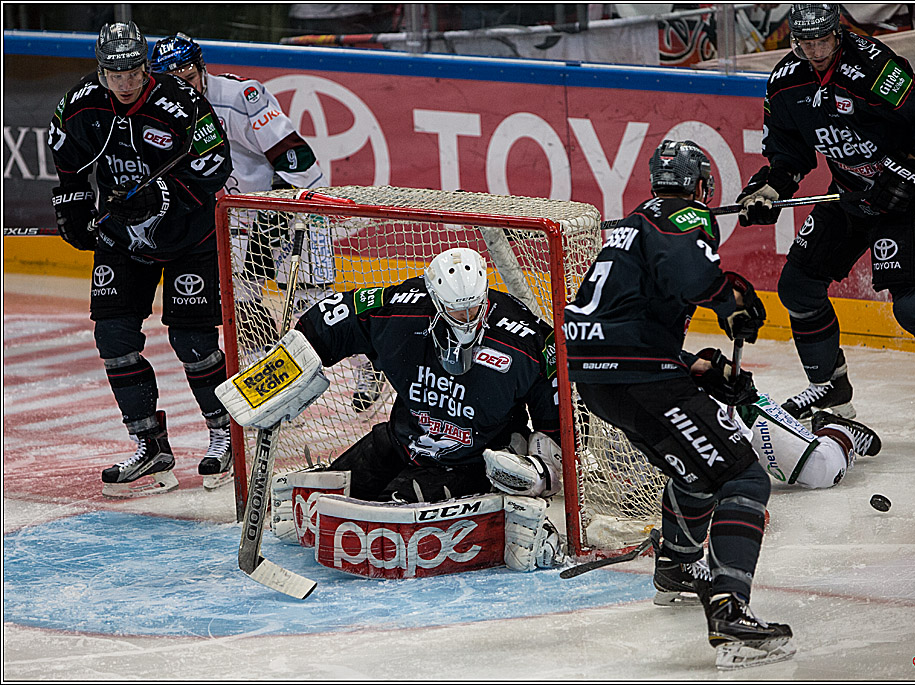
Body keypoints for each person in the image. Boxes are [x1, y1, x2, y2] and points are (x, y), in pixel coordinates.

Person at [735, 3, 915, 453]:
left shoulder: (872, 67)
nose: (815, 50)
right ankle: (832, 391)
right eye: (806, 42)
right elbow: (790, 154)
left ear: (837, 33)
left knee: (914, 304)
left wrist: (903, 171)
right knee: (799, 285)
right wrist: (770, 188)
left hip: (903, 199)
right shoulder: (786, 84)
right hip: (848, 196)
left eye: (822, 40)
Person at [565, 139, 793, 669]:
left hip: (600, 380)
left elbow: (618, 320)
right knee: (743, 477)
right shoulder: (684, 213)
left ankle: (676, 567)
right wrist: (729, 300)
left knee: (694, 470)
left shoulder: (630, 224)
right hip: (640, 377)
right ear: (700, 186)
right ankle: (729, 610)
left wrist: (693, 365)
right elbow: (691, 275)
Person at [216, 247, 566, 572]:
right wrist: (284, 368)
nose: (466, 318)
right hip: (400, 441)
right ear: (434, 298)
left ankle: (503, 513)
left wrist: (535, 473)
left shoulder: (526, 342)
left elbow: (558, 429)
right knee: (318, 500)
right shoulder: (402, 309)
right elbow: (329, 320)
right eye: (457, 310)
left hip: (469, 461)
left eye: (474, 307)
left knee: (383, 523)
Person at [149, 32, 386, 413]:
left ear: (202, 68)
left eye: (188, 75)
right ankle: (275, 388)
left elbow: (295, 157)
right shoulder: (158, 113)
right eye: (170, 79)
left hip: (289, 203)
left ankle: (371, 363)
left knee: (312, 301)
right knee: (242, 301)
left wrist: (296, 204)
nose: (182, 86)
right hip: (235, 216)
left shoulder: (240, 97)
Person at [47, 21, 233, 497]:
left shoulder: (183, 103)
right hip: (122, 236)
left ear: (145, 67)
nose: (125, 81)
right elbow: (67, 162)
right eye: (115, 72)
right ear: (102, 70)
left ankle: (224, 432)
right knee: (113, 337)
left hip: (189, 235)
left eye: (133, 71)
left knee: (192, 339)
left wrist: (159, 196)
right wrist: (72, 207)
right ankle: (150, 443)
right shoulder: (81, 103)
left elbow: (217, 167)